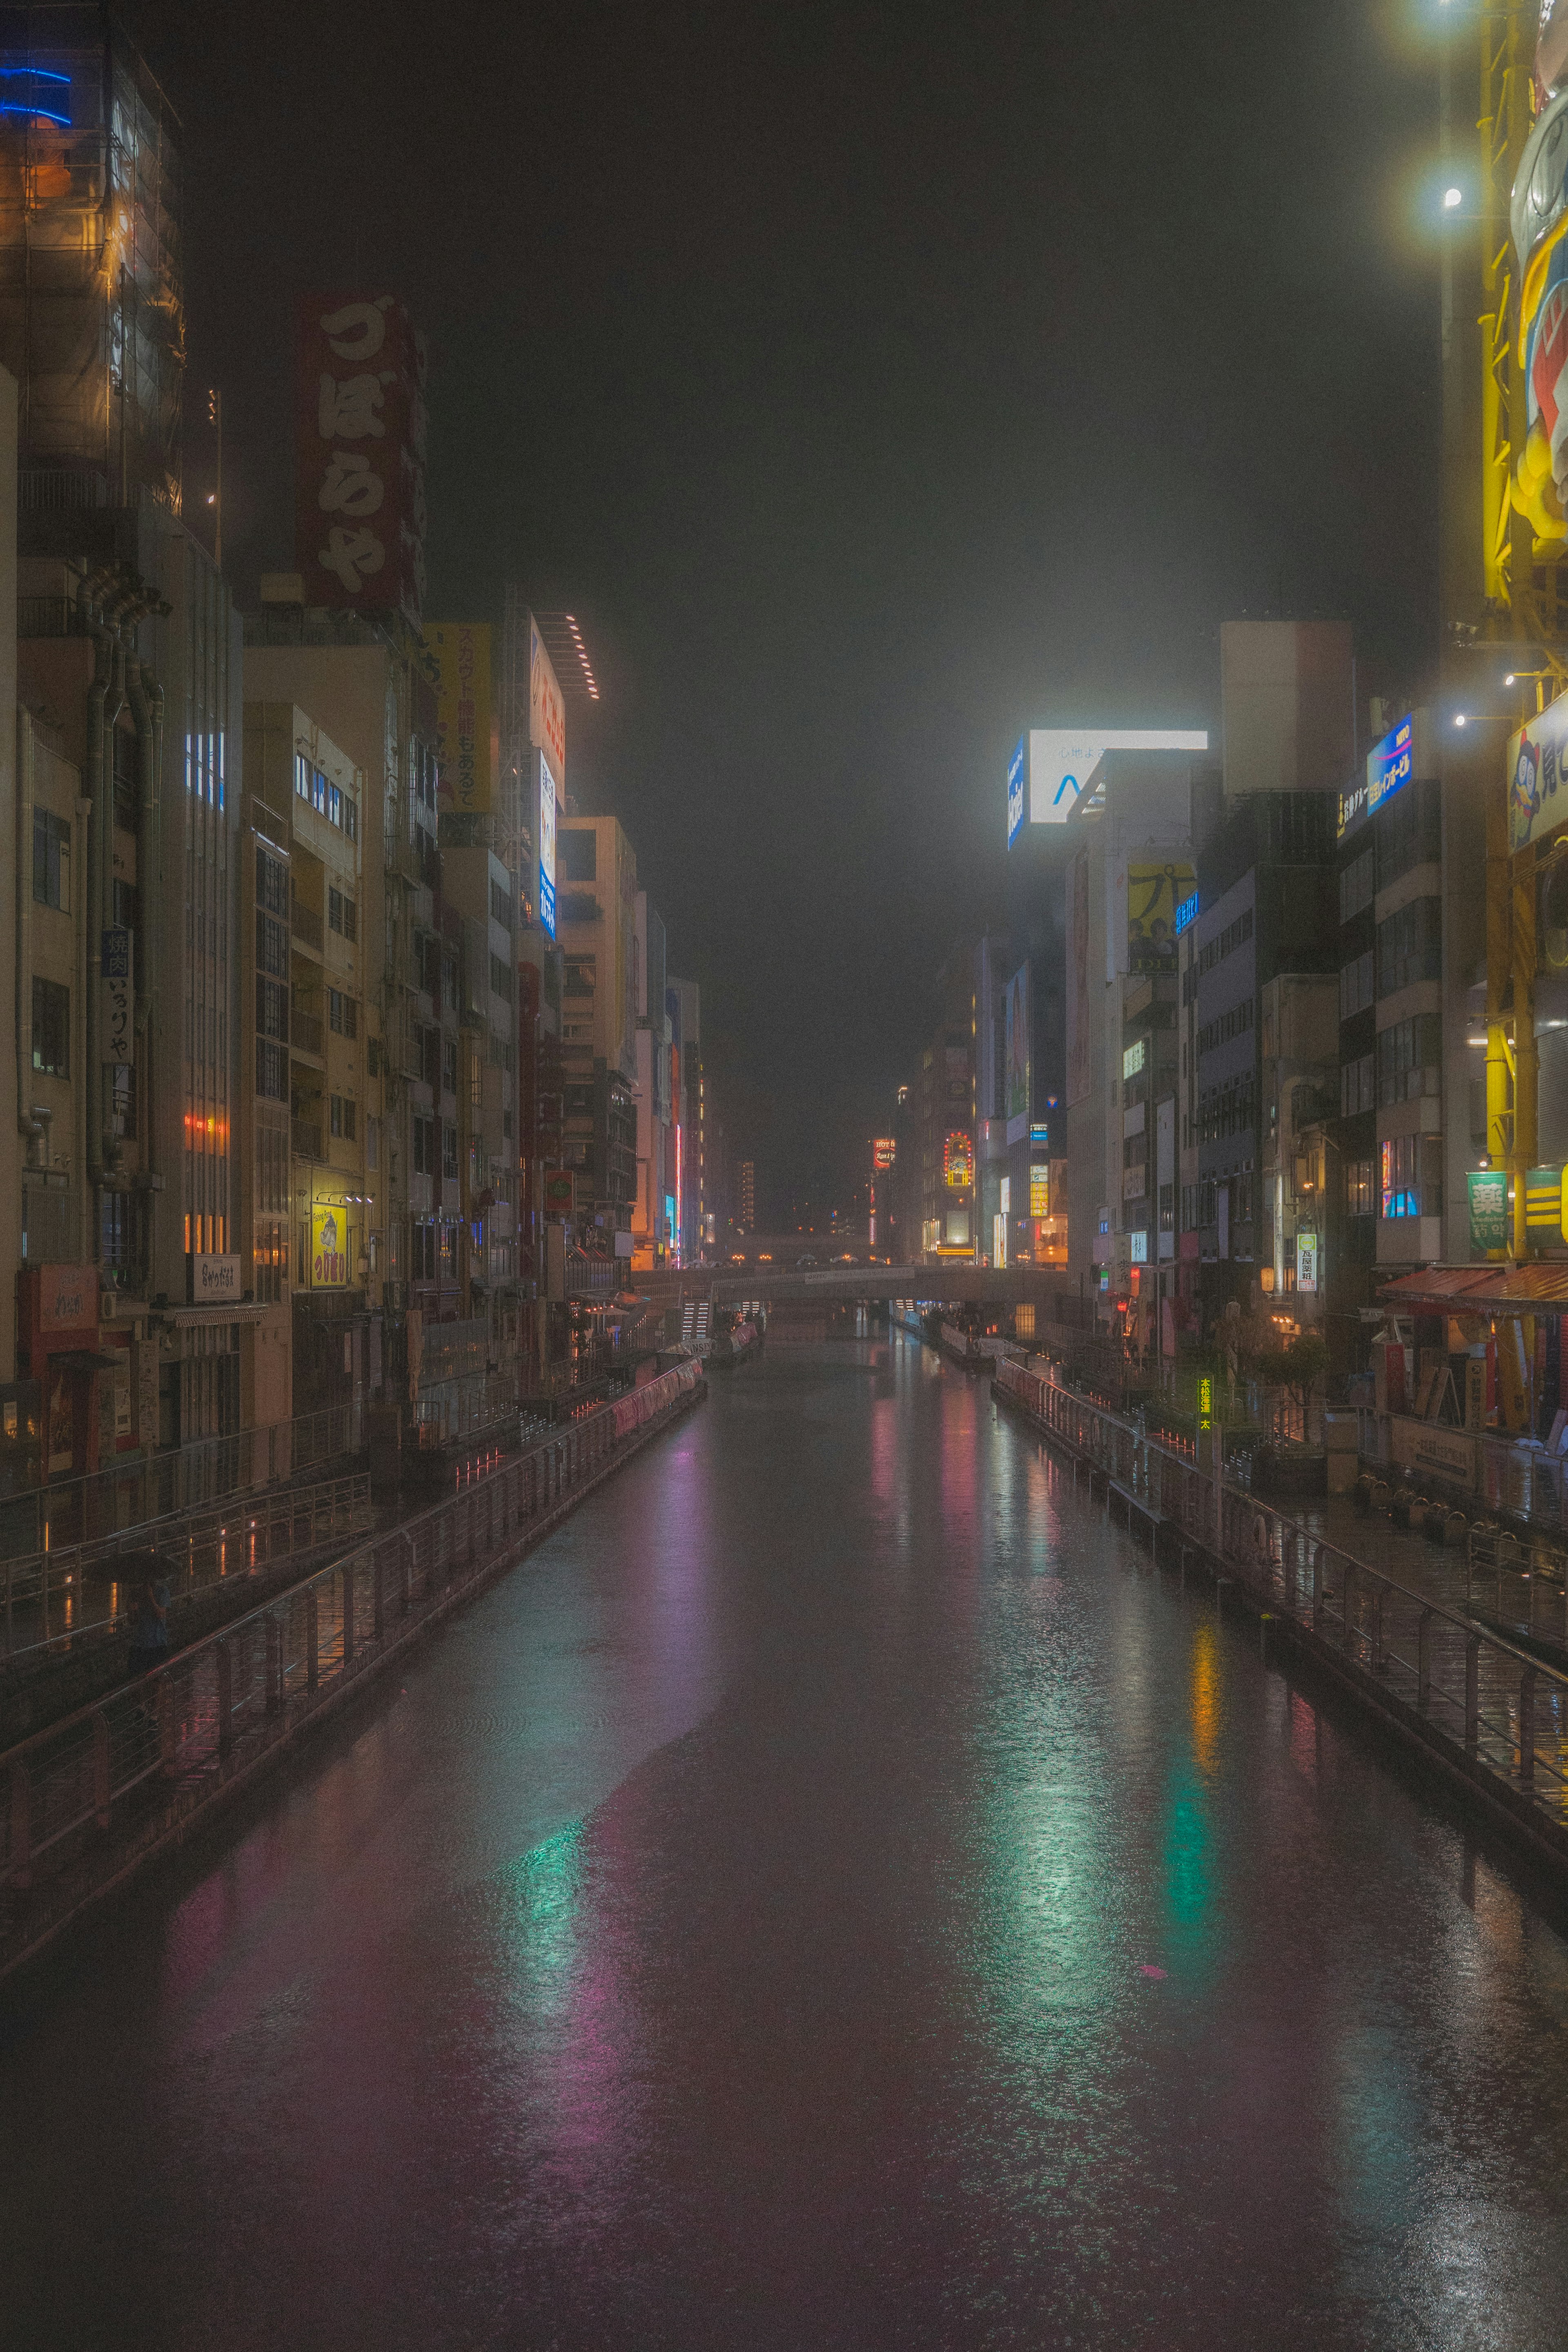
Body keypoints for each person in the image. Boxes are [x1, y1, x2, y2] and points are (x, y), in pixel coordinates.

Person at [125, 1557, 172, 1680]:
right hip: (140, 1643)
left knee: (158, 1679)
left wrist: (151, 1598)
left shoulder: (162, 1591)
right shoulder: (135, 1594)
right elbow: (132, 1621)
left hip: (157, 1643)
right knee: (138, 1679)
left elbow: (161, 1614)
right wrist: (132, 1611)